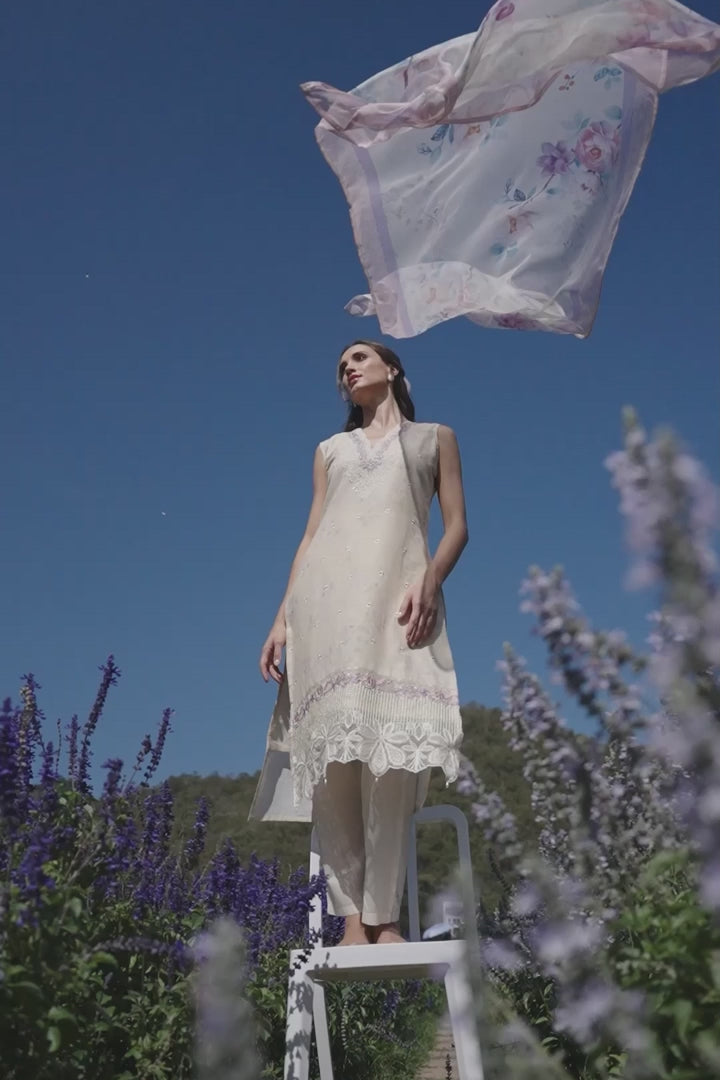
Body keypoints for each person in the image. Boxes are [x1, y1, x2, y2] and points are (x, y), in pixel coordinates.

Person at [251, 340, 468, 946]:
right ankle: (351, 921)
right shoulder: (330, 451)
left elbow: (457, 526)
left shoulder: (434, 439)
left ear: (392, 369)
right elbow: (312, 535)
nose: (348, 368)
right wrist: (281, 620)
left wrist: (431, 580)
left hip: (398, 609)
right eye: (342, 366)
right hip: (326, 615)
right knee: (336, 769)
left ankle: (386, 917)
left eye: (359, 358)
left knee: (390, 759)